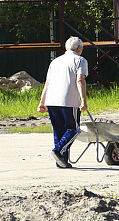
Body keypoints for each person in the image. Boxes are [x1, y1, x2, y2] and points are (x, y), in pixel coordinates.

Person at [37, 36, 88, 168]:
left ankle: (61, 162)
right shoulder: (80, 60)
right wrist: (83, 101)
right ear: (79, 48)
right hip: (68, 101)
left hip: (51, 101)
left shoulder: (55, 62)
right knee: (74, 130)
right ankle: (58, 151)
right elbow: (80, 80)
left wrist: (42, 102)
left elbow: (47, 83)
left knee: (59, 131)